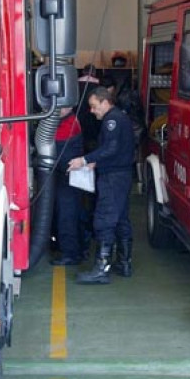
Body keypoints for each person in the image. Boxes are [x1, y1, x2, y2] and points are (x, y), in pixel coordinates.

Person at [68, 86, 136, 284]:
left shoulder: (111, 121)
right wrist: (96, 161)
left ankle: (101, 268)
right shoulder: (120, 118)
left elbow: (111, 148)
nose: (91, 111)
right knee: (121, 218)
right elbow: (116, 150)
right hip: (122, 174)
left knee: (104, 219)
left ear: (105, 103)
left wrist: (84, 159)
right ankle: (124, 263)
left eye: (94, 106)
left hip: (112, 177)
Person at [51, 106, 85, 266]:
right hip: (67, 175)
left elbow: (58, 154)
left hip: (69, 175)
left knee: (67, 214)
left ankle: (70, 253)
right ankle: (74, 248)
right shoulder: (66, 121)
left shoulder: (68, 124)